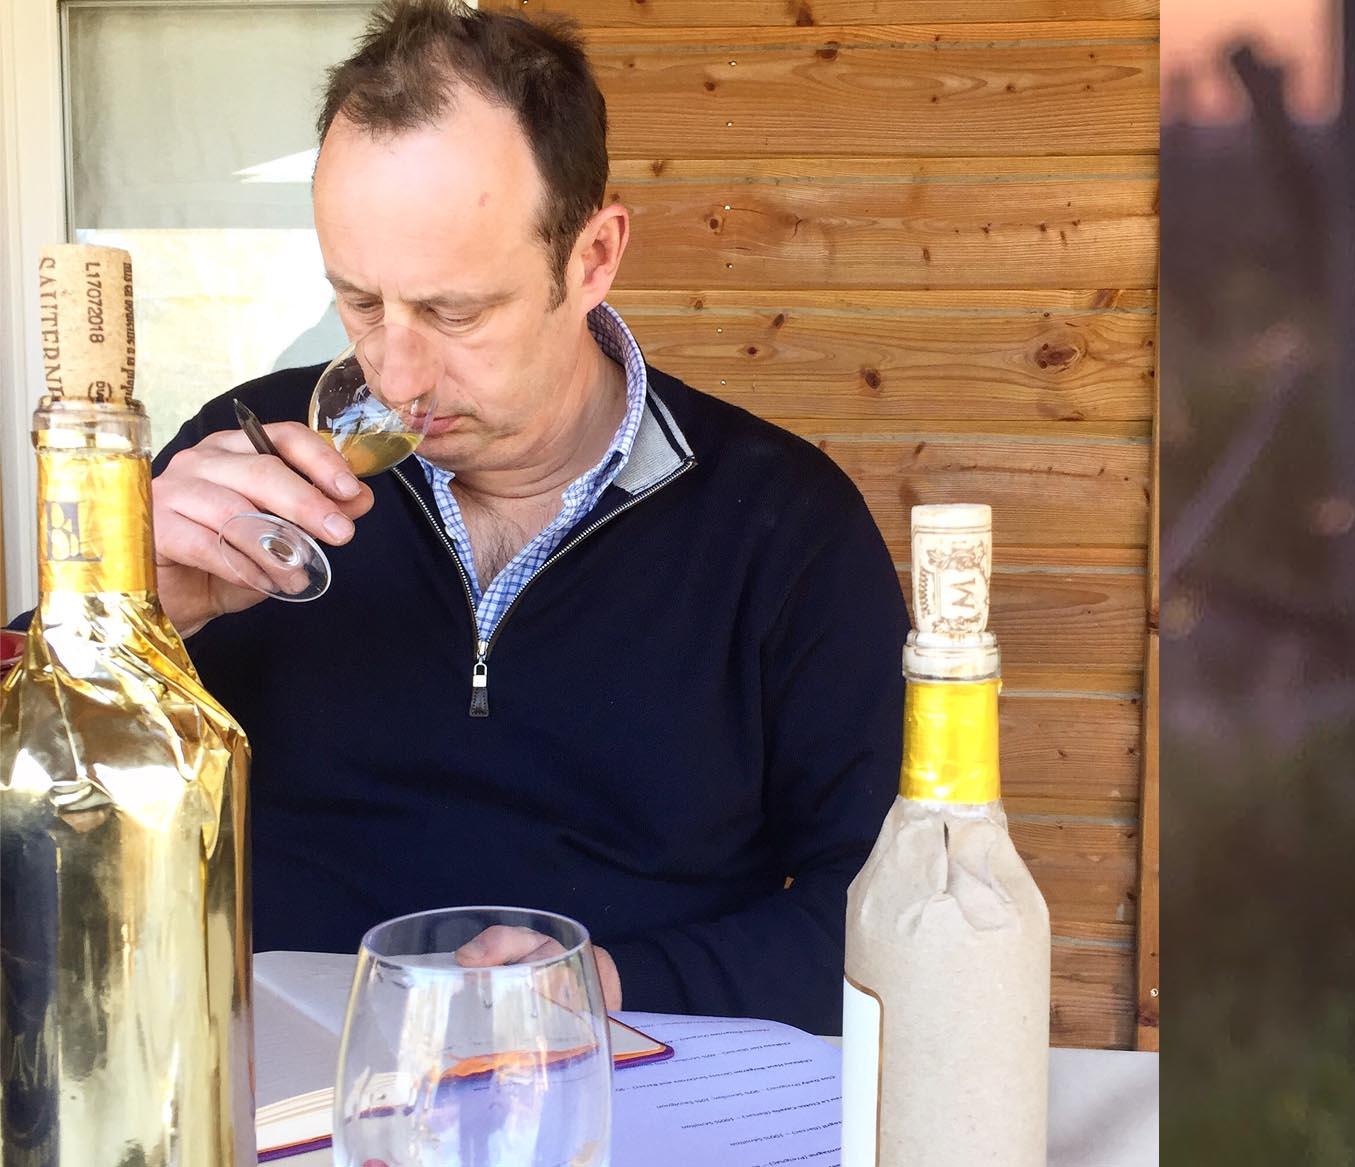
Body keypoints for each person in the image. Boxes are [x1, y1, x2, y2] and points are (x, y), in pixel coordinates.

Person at [139, 0, 900, 1032]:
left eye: (455, 312)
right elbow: (40, 821)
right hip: (274, 1093)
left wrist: (604, 988)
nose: (393, 375)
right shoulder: (247, 466)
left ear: (592, 257)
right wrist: (124, 617)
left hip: (633, 1085)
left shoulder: (786, 528)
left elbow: (888, 917)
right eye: (359, 302)